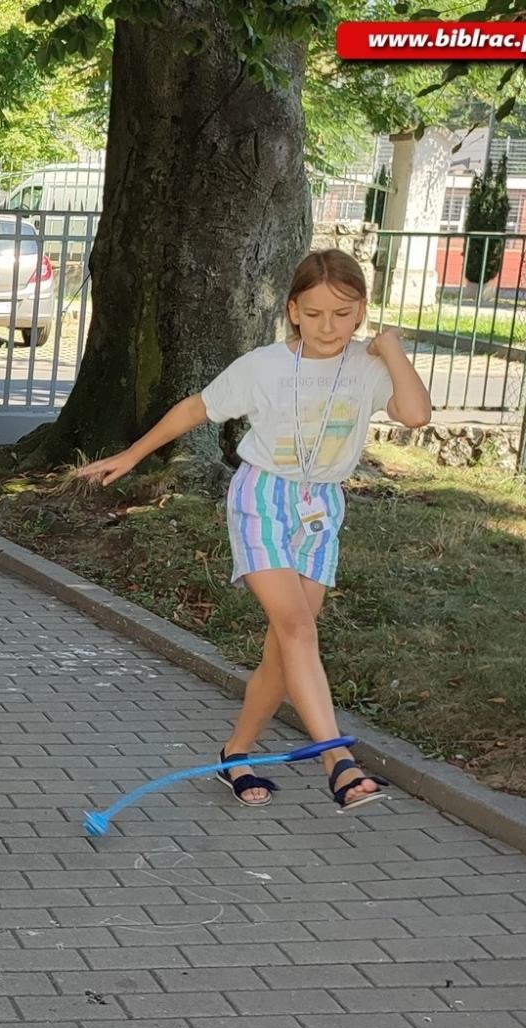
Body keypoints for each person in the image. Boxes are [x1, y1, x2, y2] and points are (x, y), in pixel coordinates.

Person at [78, 249, 432, 811]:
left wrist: (391, 349)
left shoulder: (368, 368)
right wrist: (132, 453)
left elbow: (415, 415)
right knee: (296, 628)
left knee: (283, 649)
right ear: (292, 310)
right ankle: (337, 761)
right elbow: (195, 409)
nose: (327, 326)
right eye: (313, 313)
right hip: (263, 498)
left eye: (342, 315)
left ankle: (236, 753)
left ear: (362, 312)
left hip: (322, 506)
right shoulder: (264, 366)